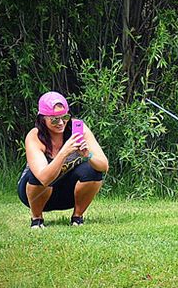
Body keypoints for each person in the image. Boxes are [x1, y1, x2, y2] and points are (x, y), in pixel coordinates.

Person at [17, 91, 109, 228]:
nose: (61, 122)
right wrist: (64, 152)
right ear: (42, 118)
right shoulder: (35, 136)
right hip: (36, 193)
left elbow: (104, 167)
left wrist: (87, 155)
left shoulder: (78, 128)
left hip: (65, 193)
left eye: (65, 117)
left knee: (93, 171)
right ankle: (36, 219)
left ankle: (77, 217)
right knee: (37, 175)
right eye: (54, 119)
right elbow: (44, 178)